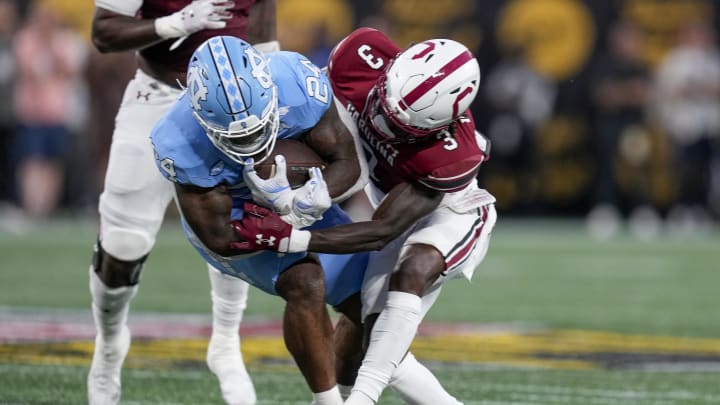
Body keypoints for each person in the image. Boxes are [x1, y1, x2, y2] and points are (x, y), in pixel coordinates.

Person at [232, 27, 496, 404]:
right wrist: (290, 186)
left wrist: (293, 237)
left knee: (413, 269)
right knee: (360, 348)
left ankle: (362, 400)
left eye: (401, 126)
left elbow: (381, 231)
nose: (382, 122)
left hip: (451, 213)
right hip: (384, 206)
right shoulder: (361, 55)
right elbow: (314, 118)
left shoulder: (452, 155)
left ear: (444, 124)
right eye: (385, 103)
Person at [151, 35, 369, 404]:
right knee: (305, 280)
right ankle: (327, 401)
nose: (251, 142)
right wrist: (280, 229)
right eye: (238, 135)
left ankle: (351, 394)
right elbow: (218, 236)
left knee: (371, 303)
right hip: (235, 213)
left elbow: (347, 162)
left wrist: (313, 196)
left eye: (257, 128)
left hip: (299, 193)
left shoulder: (297, 83)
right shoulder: (178, 140)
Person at [86, 1, 278, 404]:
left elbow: (260, 29)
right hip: (156, 94)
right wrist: (175, 24)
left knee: (236, 220)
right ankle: (108, 343)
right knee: (124, 242)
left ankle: (226, 342)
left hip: (231, 109)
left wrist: (271, 92)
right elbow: (104, 33)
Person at [12, 2, 86, 218]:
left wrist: (52, 47)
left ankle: (45, 207)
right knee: (33, 159)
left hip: (57, 110)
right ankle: (32, 205)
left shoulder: (64, 41)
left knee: (54, 161)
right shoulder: (25, 40)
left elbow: (70, 72)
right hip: (32, 111)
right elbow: (26, 72)